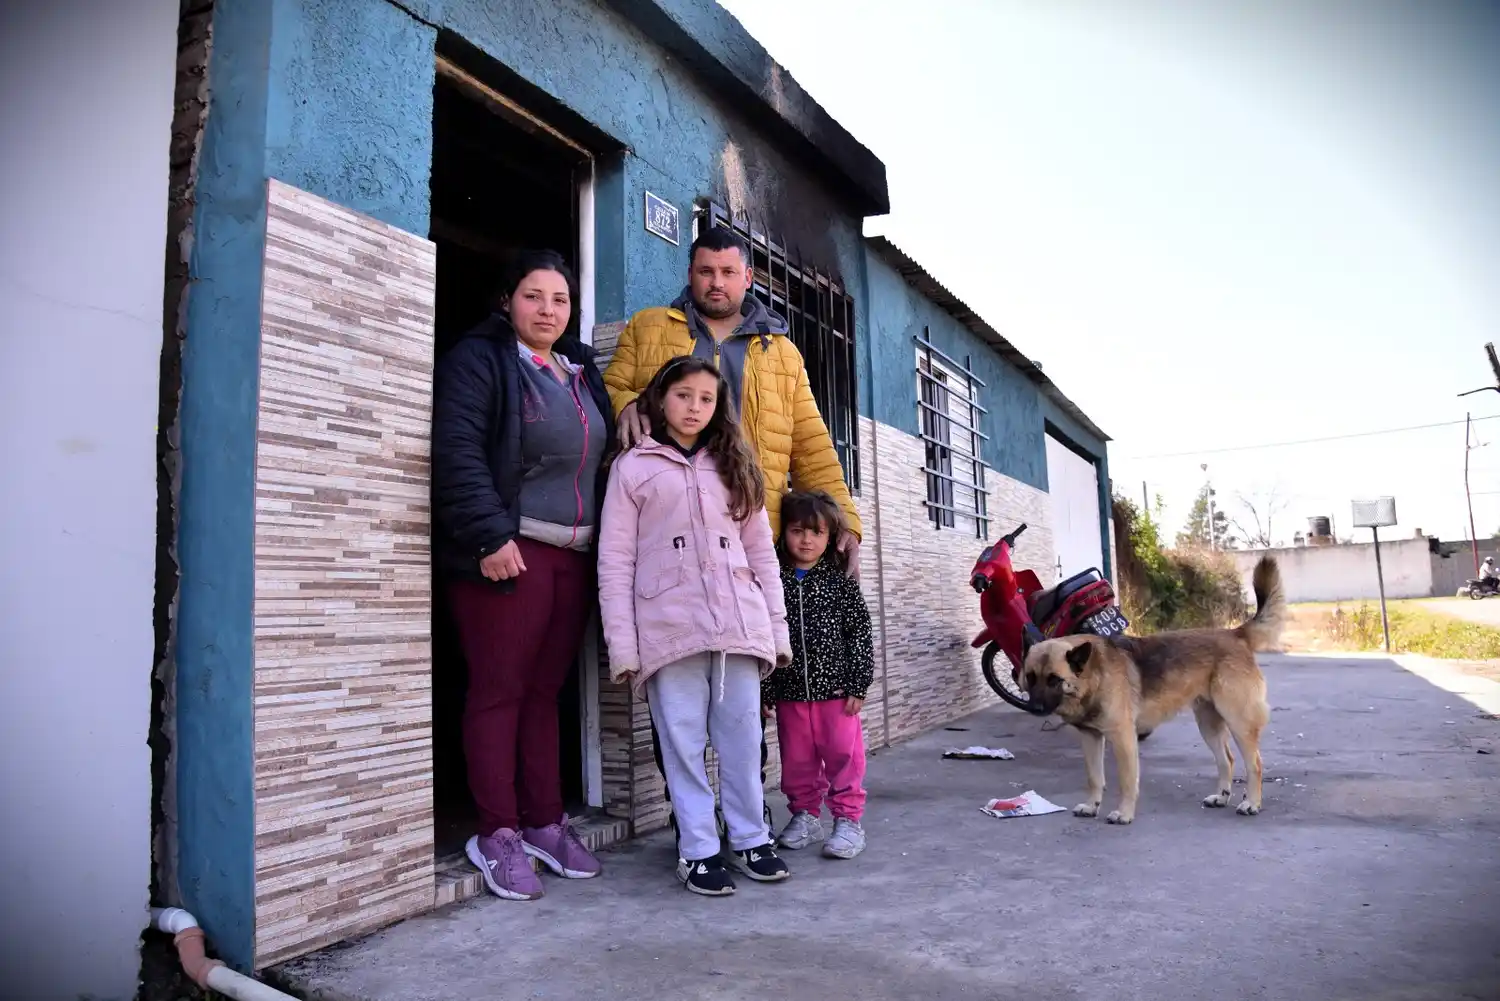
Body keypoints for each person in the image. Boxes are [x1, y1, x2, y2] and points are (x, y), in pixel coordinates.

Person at [431, 250, 614, 901]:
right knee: (498, 693)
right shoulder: (480, 360)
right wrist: (488, 533)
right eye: (534, 296)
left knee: (544, 694)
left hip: (572, 555)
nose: (547, 310)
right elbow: (456, 449)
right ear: (509, 299)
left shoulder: (579, 368)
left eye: (559, 300)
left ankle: (542, 821)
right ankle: (496, 831)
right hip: (508, 553)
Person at [596, 355, 794, 896]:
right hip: (668, 629)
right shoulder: (633, 467)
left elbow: (762, 555)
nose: (694, 408)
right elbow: (615, 560)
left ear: (718, 406)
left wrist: (777, 633)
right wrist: (624, 646)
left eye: (706, 399)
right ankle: (699, 849)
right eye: (683, 396)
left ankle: (751, 837)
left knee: (741, 740)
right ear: (661, 399)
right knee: (681, 745)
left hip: (738, 626)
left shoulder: (734, 465)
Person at [602, 225, 863, 575]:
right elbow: (606, 389)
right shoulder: (648, 327)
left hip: (750, 525)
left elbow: (811, 444)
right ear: (690, 274)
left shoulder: (783, 355)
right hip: (665, 524)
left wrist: (845, 523)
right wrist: (626, 403)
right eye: (706, 272)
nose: (717, 283)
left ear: (749, 277)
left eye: (728, 272)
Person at [766, 490, 875, 860]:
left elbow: (860, 633)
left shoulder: (840, 581)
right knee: (797, 759)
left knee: (844, 756)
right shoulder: (773, 580)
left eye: (817, 532)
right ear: (784, 534)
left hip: (837, 693)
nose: (807, 540)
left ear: (830, 537)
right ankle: (805, 815)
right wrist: (766, 689)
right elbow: (764, 637)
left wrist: (859, 683)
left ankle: (847, 821)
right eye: (798, 530)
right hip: (789, 691)